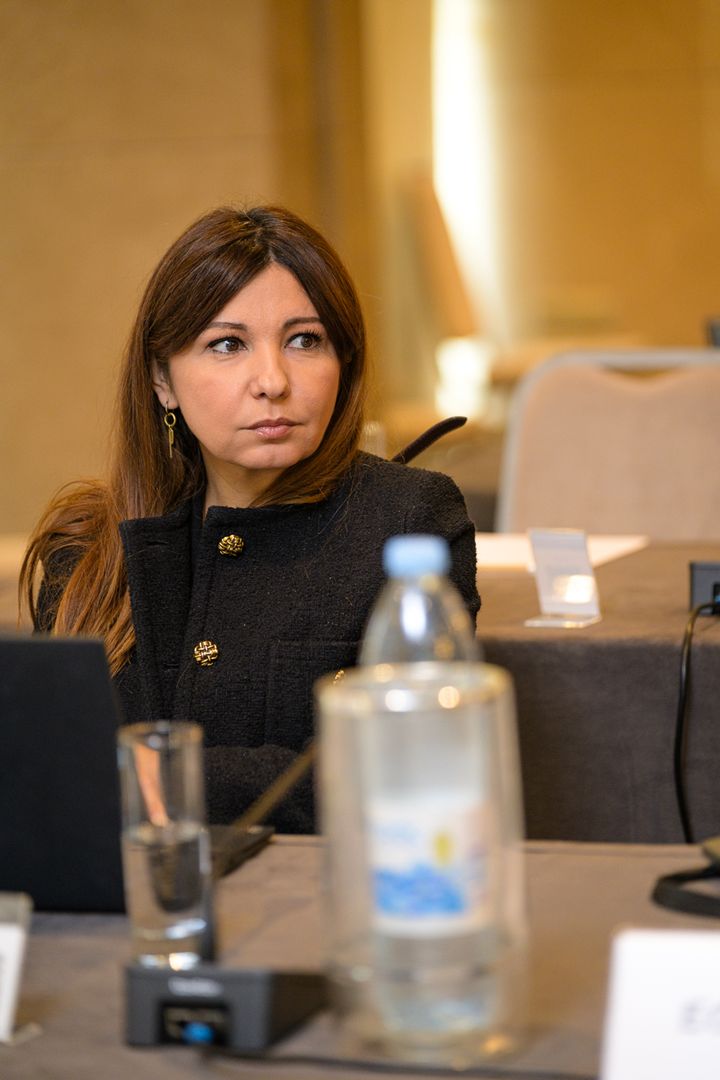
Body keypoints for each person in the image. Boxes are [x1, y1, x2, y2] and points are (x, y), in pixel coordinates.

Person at [21, 205, 480, 832]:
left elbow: (412, 764)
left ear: (343, 362)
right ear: (162, 379)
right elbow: (53, 770)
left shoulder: (407, 518)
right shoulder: (87, 543)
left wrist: (169, 777)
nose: (272, 381)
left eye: (305, 340)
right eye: (227, 344)